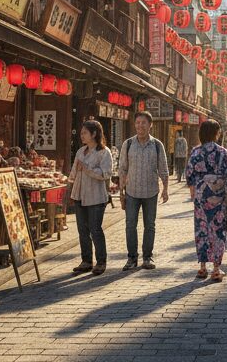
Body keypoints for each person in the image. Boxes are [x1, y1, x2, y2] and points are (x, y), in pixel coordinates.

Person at [118, 111, 170, 271]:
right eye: (138, 122)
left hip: (151, 192)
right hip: (131, 192)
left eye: (144, 123)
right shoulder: (128, 144)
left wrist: (166, 189)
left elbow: (163, 169)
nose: (140, 126)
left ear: (150, 125)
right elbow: (122, 169)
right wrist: (121, 191)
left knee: (150, 225)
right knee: (130, 225)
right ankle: (132, 258)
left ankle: (147, 257)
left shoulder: (157, 145)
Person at [185, 119, 227, 282]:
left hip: (201, 195)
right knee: (218, 230)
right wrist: (223, 188)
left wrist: (195, 190)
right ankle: (216, 269)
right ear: (217, 134)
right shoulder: (223, 152)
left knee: (202, 229)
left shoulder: (196, 152)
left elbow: (189, 174)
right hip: (218, 195)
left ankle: (202, 267)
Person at [68, 120, 112, 275]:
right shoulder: (81, 151)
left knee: (95, 230)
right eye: (81, 133)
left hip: (96, 197)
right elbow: (73, 172)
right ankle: (86, 261)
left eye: (85, 133)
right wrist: (68, 185)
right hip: (79, 194)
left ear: (94, 134)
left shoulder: (104, 152)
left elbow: (106, 173)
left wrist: (87, 169)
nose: (82, 135)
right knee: (82, 230)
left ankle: (101, 262)